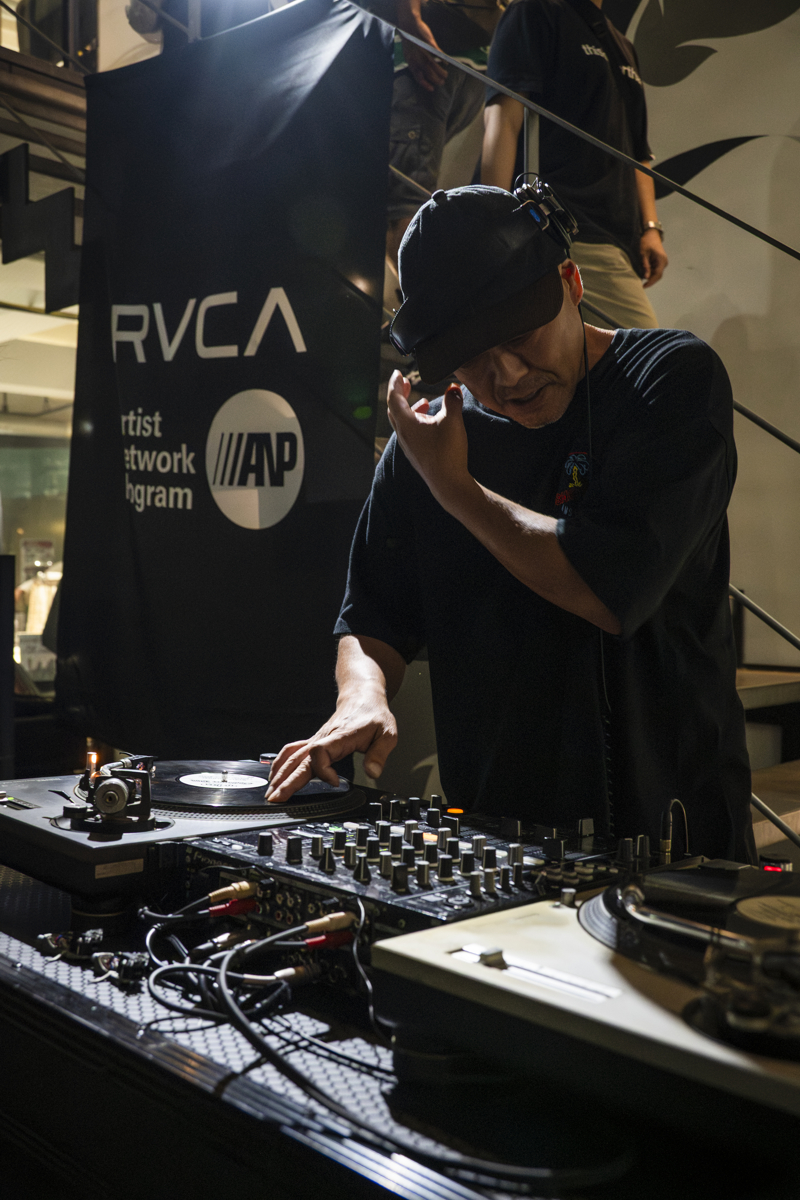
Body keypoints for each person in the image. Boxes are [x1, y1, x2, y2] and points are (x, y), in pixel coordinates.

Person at [267, 183, 754, 863]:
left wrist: (456, 489)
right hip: (499, 833)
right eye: (472, 356)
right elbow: (373, 616)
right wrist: (363, 696)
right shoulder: (430, 443)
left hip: (674, 827)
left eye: (522, 337)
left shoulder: (670, 380)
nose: (509, 374)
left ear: (572, 282)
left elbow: (606, 588)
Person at [481, 0, 667, 330]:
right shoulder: (534, 11)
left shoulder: (624, 47)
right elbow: (503, 121)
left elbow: (639, 152)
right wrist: (493, 228)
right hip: (562, 227)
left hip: (617, 242)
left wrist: (651, 229)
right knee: (651, 357)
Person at [386, 0, 505, 272]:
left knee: (404, 209)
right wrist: (410, 20)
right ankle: (417, 297)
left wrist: (410, 20)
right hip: (440, 53)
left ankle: (418, 298)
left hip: (447, 54)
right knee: (404, 210)